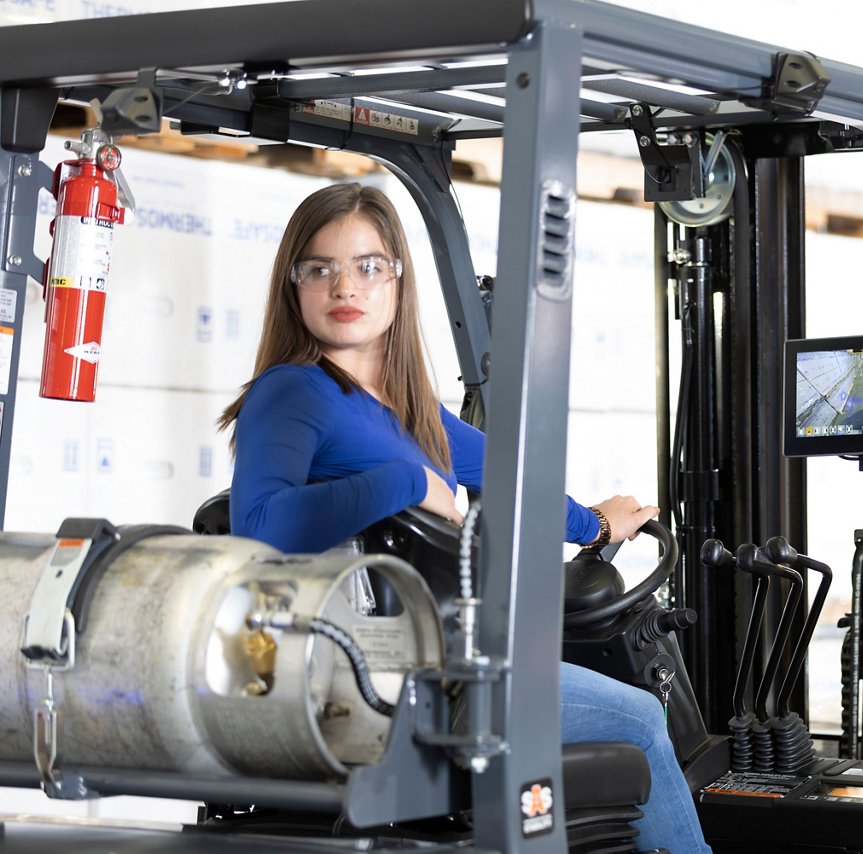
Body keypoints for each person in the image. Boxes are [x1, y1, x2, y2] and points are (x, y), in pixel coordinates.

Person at [218, 183, 710, 854]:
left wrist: (595, 525)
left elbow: (514, 479)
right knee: (641, 717)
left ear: (397, 281)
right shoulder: (293, 391)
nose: (345, 285)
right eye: (320, 268)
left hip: (439, 666)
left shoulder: (406, 408)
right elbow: (259, 527)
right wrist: (405, 482)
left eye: (368, 266)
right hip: (394, 685)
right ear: (294, 285)